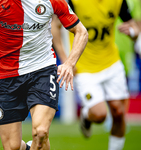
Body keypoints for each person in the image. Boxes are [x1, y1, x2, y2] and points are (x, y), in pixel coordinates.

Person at [0, 0, 88, 150]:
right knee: (12, 147)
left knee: (40, 132)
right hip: (5, 75)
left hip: (42, 69)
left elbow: (81, 31)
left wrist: (69, 63)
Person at [52, 0, 139, 150]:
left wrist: (133, 32)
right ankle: (87, 115)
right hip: (85, 67)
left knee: (118, 112)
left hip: (111, 62)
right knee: (99, 115)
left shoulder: (118, 1)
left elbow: (134, 27)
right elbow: (54, 26)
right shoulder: (75, 2)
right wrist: (67, 61)